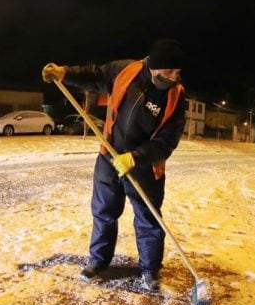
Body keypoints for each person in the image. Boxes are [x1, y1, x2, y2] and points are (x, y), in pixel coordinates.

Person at [42, 39, 187, 292]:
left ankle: (151, 270)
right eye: (169, 71)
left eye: (178, 72)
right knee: (104, 212)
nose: (174, 77)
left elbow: (168, 141)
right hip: (109, 156)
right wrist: (64, 73)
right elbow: (94, 75)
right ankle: (98, 262)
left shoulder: (176, 95)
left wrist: (135, 157)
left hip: (144, 166)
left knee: (148, 219)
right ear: (154, 67)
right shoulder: (125, 71)